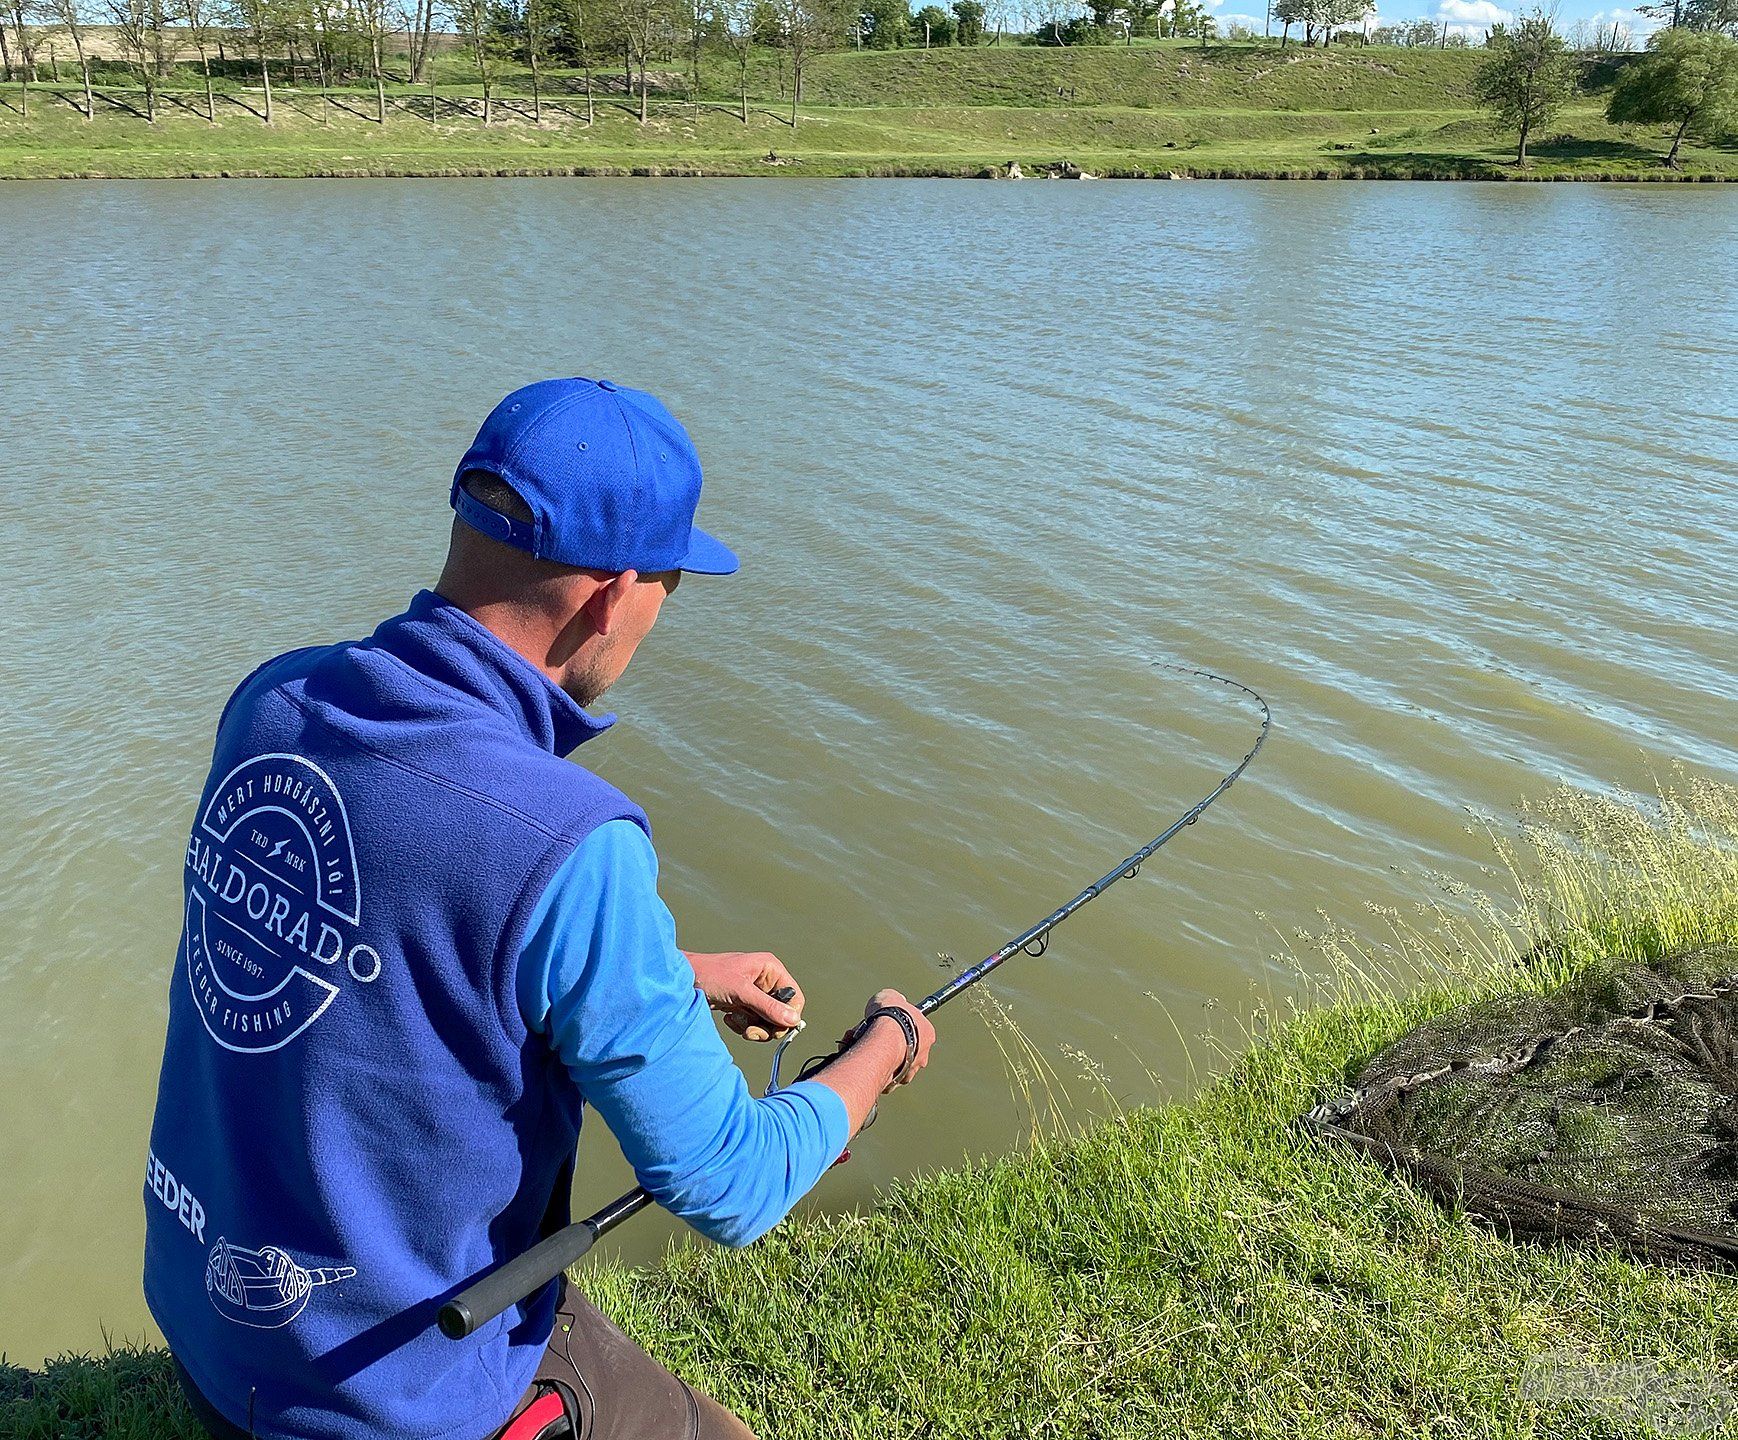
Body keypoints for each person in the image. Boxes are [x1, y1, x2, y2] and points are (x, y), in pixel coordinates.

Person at [142, 377, 937, 1440]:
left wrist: (674, 975)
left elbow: (365, 939)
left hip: (208, 1331)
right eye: (669, 590)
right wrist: (883, 1048)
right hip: (382, 1397)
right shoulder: (573, 835)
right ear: (612, 596)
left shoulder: (275, 700)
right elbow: (731, 1183)